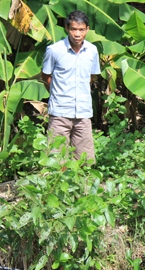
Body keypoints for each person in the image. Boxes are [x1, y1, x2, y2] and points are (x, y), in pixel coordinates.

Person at [41, 10, 100, 162]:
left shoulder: (92, 51)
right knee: (56, 159)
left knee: (85, 160)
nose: (77, 34)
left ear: (87, 29)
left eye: (81, 29)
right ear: (67, 28)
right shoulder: (54, 50)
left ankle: (82, 186)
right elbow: (46, 76)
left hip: (83, 113)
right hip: (60, 112)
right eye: (74, 29)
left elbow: (92, 76)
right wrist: (57, 93)